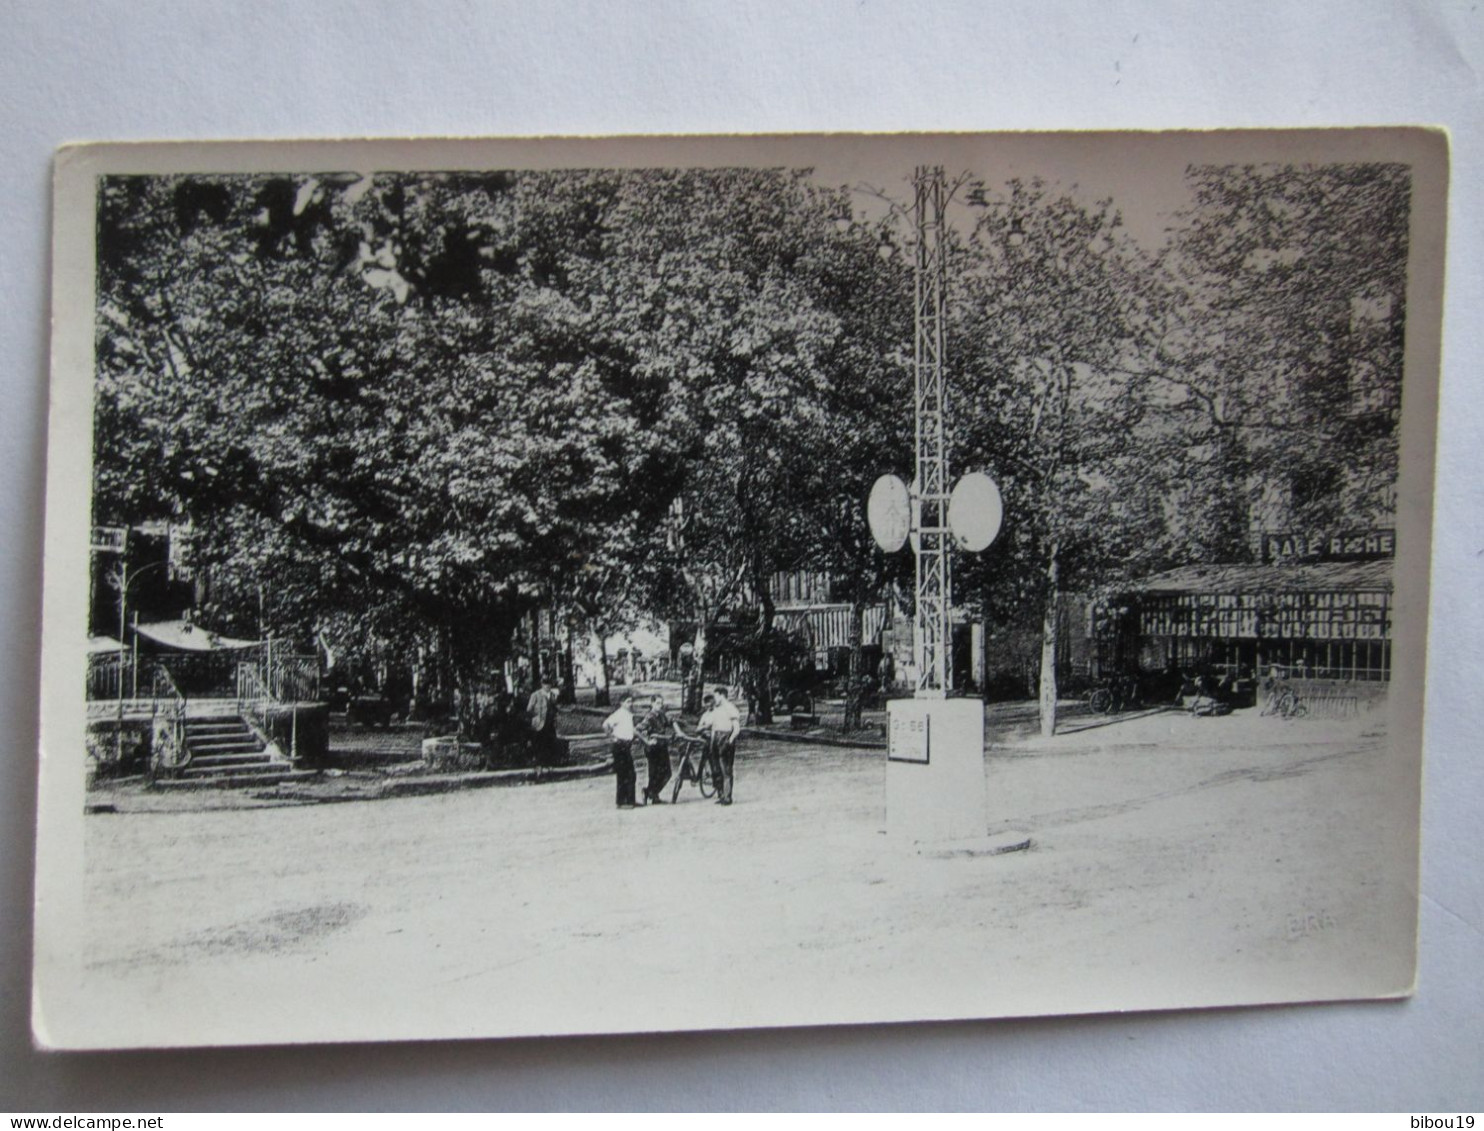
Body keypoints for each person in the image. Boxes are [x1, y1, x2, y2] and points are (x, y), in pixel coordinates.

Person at [707, 684, 742, 806]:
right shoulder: (717, 709)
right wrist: (712, 741)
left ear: (722, 696)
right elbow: (713, 726)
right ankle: (721, 794)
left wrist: (730, 740)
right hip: (716, 738)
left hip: (725, 737)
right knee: (716, 768)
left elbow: (736, 727)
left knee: (726, 769)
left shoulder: (730, 708)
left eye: (716, 696)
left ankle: (727, 797)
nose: (715, 698)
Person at [602, 694, 639, 809]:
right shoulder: (619, 714)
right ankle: (622, 801)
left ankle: (630, 800)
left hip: (627, 745)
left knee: (631, 773)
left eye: (631, 701)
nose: (630, 704)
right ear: (622, 703)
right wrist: (612, 737)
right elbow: (605, 724)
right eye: (628, 701)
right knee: (623, 774)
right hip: (619, 745)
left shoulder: (629, 715)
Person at [636, 694, 672, 804]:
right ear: (652, 703)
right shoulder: (649, 717)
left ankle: (650, 792)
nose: (660, 706)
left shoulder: (662, 715)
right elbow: (638, 729)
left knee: (667, 773)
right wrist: (647, 740)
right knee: (654, 773)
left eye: (661, 703)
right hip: (653, 748)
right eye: (657, 703)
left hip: (662, 746)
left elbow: (669, 722)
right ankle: (653, 795)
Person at [526, 676, 559, 764]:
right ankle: (538, 763)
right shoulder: (536, 695)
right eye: (545, 684)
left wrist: (554, 719)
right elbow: (529, 709)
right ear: (542, 685)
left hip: (550, 724)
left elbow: (554, 709)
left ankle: (549, 763)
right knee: (539, 744)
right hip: (539, 724)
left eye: (549, 684)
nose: (547, 686)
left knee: (550, 743)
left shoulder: (552, 695)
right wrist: (537, 716)